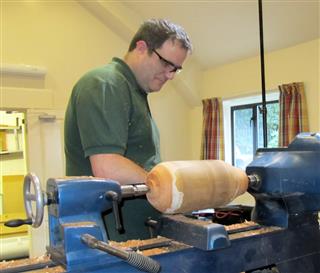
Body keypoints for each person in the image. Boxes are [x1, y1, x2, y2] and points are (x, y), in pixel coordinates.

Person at [64, 18, 193, 241]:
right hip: (110, 238)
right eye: (166, 64)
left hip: (137, 234)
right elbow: (107, 167)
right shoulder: (106, 83)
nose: (171, 75)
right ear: (141, 48)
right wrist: (164, 186)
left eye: (176, 69)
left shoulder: (134, 92)